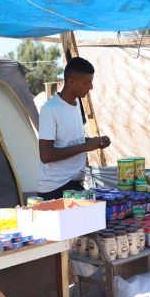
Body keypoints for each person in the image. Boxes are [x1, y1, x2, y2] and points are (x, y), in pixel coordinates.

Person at [38, 57, 111, 200]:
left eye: (91, 81)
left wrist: (95, 142)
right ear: (70, 81)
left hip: (73, 183)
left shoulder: (77, 103)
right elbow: (46, 155)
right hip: (55, 187)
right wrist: (85, 146)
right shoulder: (50, 109)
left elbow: (70, 141)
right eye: (86, 82)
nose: (91, 87)